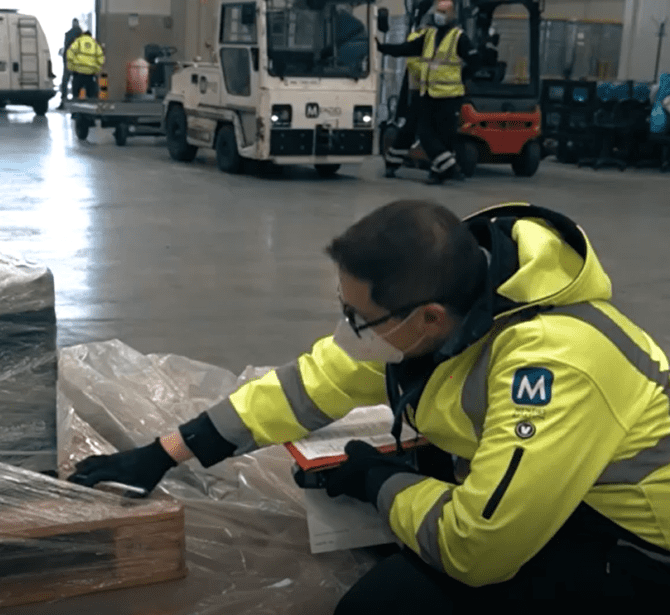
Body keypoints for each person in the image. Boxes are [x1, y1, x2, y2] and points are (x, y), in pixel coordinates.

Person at [70, 200, 670, 612]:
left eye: (359, 317)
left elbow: (477, 549)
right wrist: (169, 450)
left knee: (380, 605)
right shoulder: (457, 300)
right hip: (561, 492)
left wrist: (381, 483)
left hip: (633, 547)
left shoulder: (555, 365)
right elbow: (313, 384)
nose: (347, 330)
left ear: (429, 318)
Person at [378, 0, 472, 184]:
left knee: (431, 132)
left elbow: (473, 61)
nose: (439, 15)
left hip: (443, 93)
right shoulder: (427, 35)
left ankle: (444, 169)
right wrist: (384, 48)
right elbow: (408, 50)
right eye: (438, 11)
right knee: (416, 130)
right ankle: (442, 168)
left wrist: (462, 76)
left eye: (443, 12)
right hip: (424, 91)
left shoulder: (457, 37)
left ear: (452, 15)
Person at [383, 27, 430, 178]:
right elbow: (414, 63)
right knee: (412, 128)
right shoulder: (421, 38)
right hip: (421, 90)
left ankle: (444, 166)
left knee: (431, 131)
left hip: (439, 92)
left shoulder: (451, 37)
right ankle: (392, 163)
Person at [65, 30, 104, 101]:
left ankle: (75, 101)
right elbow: (101, 58)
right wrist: (97, 69)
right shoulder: (95, 44)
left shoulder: (78, 41)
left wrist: (72, 66)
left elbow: (69, 54)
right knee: (91, 92)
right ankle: (91, 102)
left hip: (78, 71)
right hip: (90, 72)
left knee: (76, 91)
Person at [57, 18, 82, 110]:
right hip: (79, 64)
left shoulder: (69, 34)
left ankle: (63, 102)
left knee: (65, 82)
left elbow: (67, 47)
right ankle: (78, 102)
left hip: (69, 62)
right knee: (78, 83)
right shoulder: (82, 35)